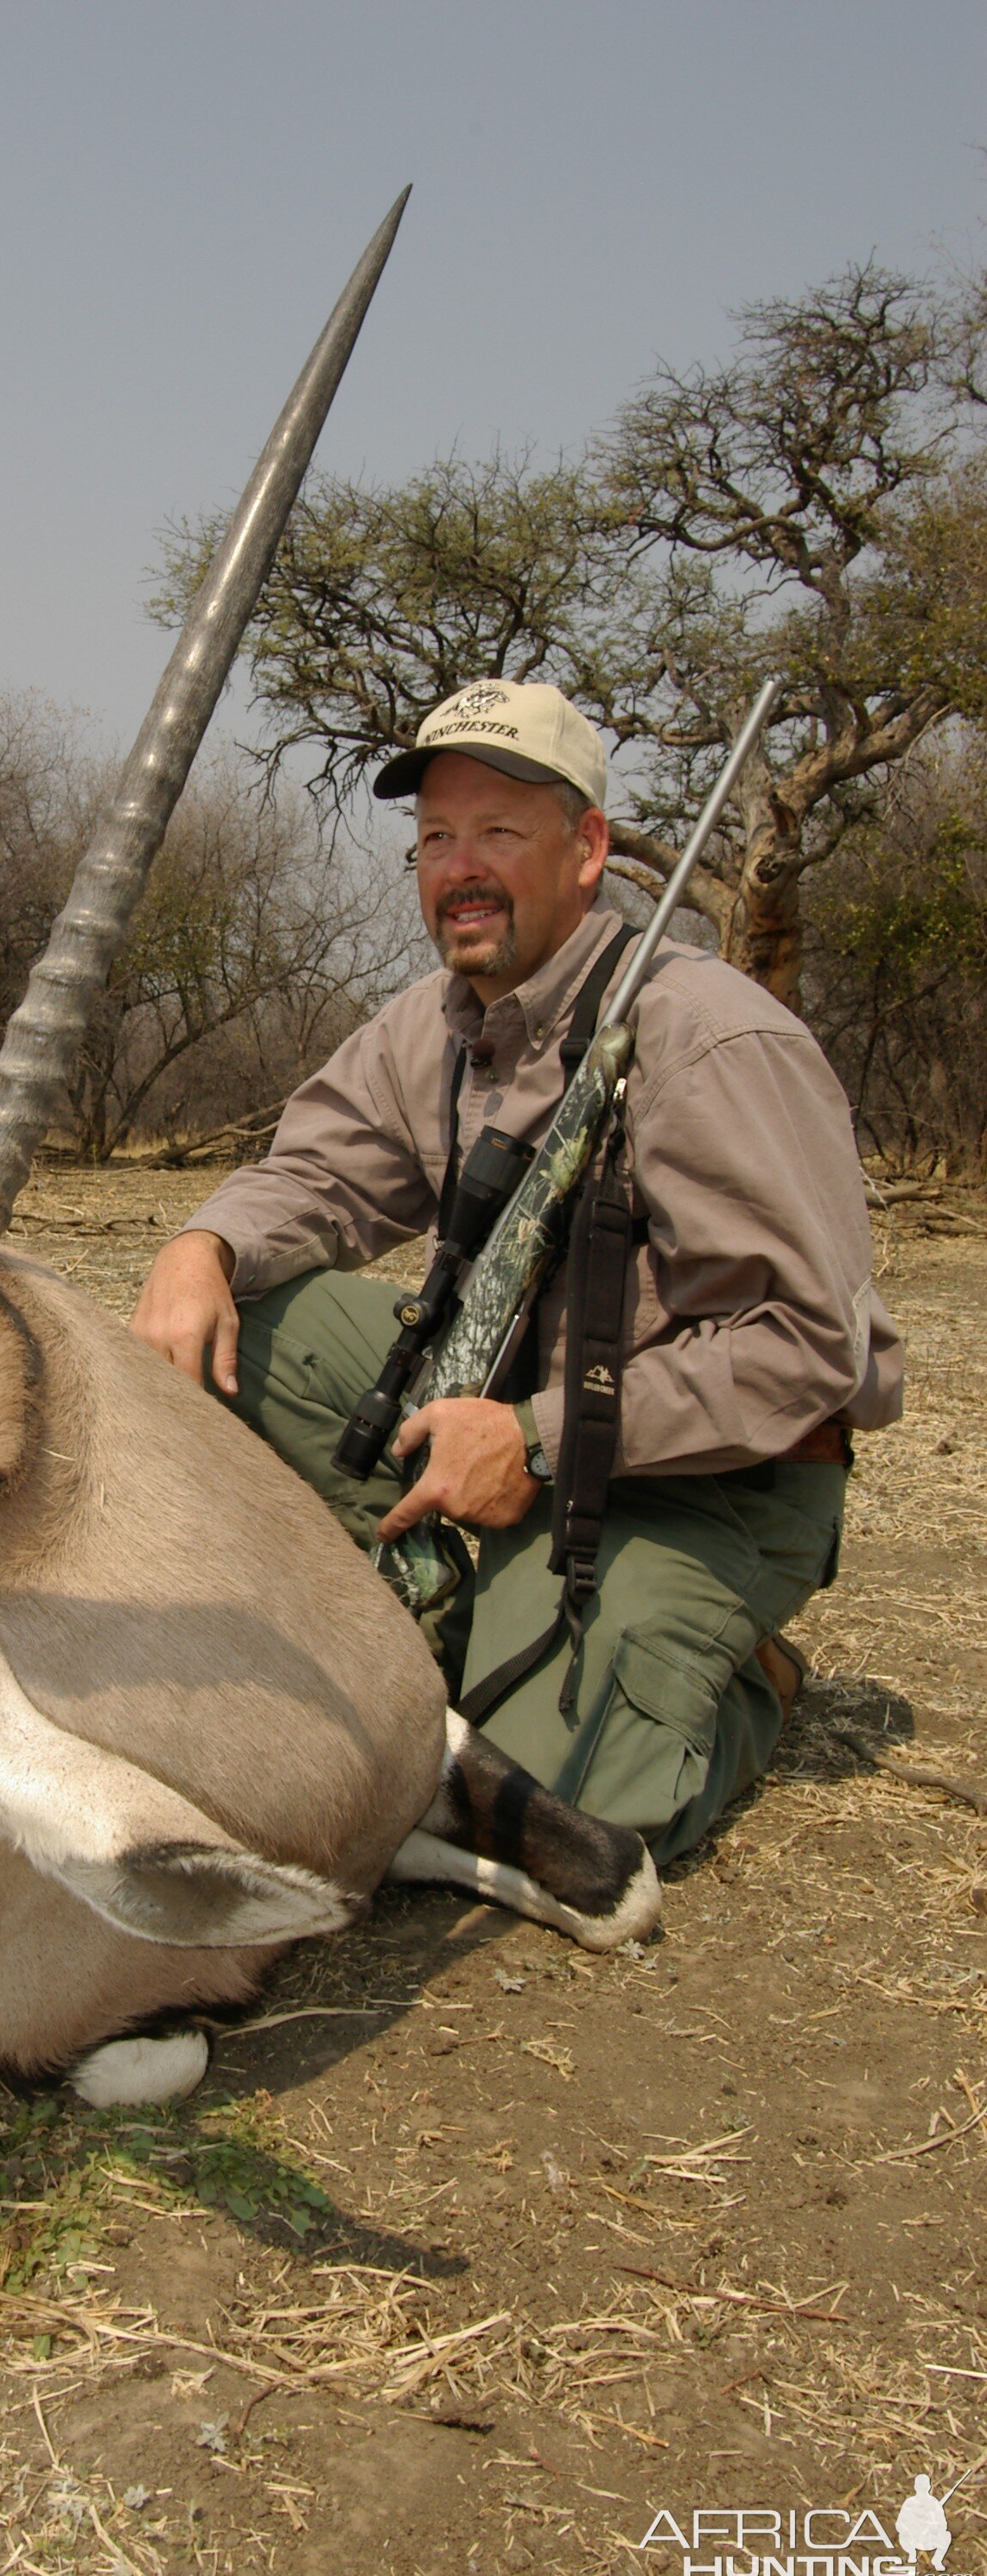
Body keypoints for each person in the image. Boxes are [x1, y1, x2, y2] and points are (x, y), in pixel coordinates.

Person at [131, 678, 903, 1864]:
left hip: (711, 1477)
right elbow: (316, 1178)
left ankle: (748, 1689)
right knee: (249, 1322)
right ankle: (441, 1611)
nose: (461, 868)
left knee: (540, 1807)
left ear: (588, 848)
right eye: (436, 839)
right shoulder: (429, 1023)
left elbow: (804, 1352)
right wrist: (205, 1247)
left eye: (498, 832)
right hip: (505, 1421)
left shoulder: (708, 1033)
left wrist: (538, 1439)